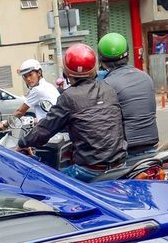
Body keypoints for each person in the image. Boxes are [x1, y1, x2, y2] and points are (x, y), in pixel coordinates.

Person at [17, 43, 125, 182]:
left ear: (66, 73)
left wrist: (22, 144)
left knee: (49, 183)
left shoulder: (69, 97)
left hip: (90, 170)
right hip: (120, 165)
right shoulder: (108, 90)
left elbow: (44, 130)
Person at [97, 33, 159, 159]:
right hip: (152, 146)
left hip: (125, 152)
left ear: (101, 61)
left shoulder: (106, 85)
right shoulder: (145, 77)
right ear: (127, 54)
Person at [0, 59, 60, 129]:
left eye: (30, 75)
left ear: (39, 72)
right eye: (25, 76)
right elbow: (46, 115)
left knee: (25, 140)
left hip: (51, 132)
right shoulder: (48, 86)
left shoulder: (37, 89)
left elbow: (20, 112)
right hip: (56, 128)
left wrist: (6, 123)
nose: (28, 79)